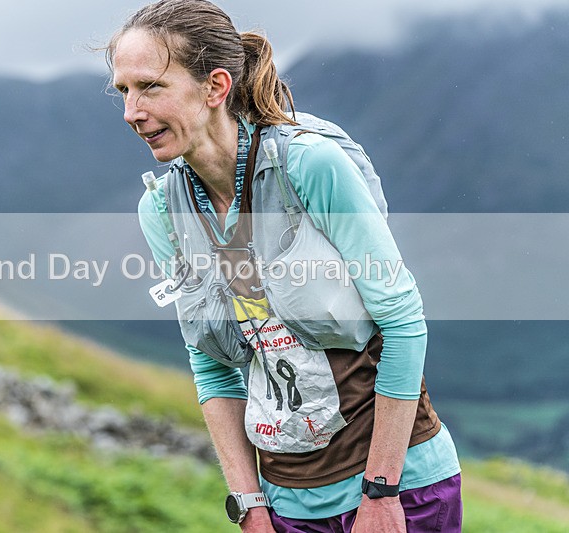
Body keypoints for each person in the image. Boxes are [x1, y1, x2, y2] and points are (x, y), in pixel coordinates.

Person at [106, 1, 462, 531]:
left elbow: (403, 320)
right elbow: (211, 365)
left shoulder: (309, 165)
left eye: (151, 87)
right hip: (286, 505)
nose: (132, 111)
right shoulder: (161, 210)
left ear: (215, 87)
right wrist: (249, 506)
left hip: (397, 488)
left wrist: (382, 491)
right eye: (123, 92)